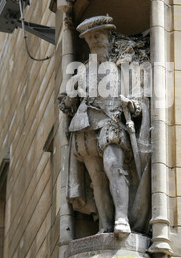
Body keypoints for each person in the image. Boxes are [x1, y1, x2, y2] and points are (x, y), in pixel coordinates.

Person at [59, 15, 145, 237]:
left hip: (111, 121)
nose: (94, 41)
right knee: (96, 178)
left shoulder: (123, 64)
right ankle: (104, 225)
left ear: (108, 37)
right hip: (84, 126)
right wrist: (70, 97)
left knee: (113, 165)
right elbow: (65, 103)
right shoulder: (82, 71)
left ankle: (122, 218)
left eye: (97, 36)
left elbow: (138, 101)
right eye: (89, 39)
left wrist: (131, 104)